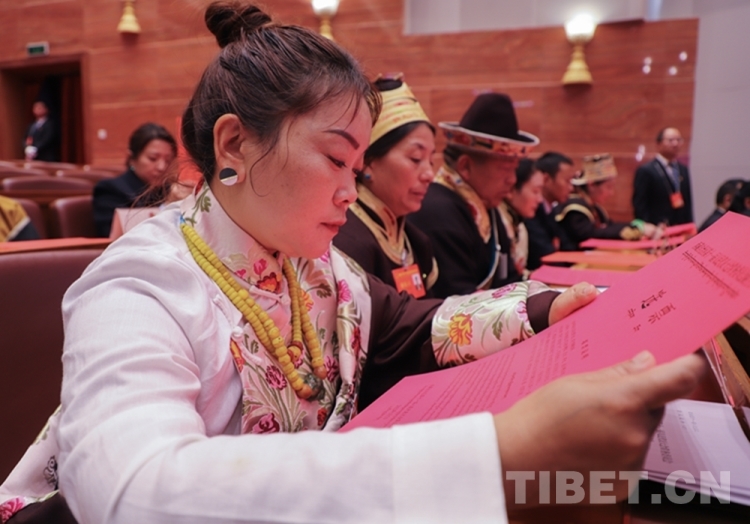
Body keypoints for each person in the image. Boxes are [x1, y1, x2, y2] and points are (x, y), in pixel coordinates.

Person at [0, 3, 707, 523]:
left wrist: (543, 309)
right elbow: (132, 491)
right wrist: (494, 454)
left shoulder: (315, 267)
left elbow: (413, 325)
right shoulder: (139, 283)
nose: (350, 189)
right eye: (336, 159)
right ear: (234, 144)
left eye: (358, 165)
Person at [408, 93, 534, 298]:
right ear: (465, 166)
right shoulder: (437, 211)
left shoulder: (488, 207)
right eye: (505, 169)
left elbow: (510, 280)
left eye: (515, 169)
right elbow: (458, 300)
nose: (513, 180)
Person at [333, 75, 438, 298]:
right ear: (368, 162)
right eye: (416, 158)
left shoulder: (417, 242)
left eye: (431, 160)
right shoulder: (345, 241)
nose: (430, 174)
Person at [92, 122, 178, 237]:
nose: (162, 167)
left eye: (168, 160)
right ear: (132, 158)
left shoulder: (171, 190)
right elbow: (110, 237)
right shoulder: (110, 189)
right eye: (153, 158)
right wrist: (167, 205)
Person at [555, 154, 657, 248]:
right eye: (608, 187)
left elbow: (609, 226)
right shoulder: (574, 208)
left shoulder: (595, 208)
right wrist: (637, 230)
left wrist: (636, 226)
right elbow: (591, 233)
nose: (611, 193)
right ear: (591, 185)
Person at [525, 151, 576, 270]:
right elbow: (545, 255)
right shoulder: (530, 211)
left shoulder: (550, 208)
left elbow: (565, 247)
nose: (571, 188)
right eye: (567, 181)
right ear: (546, 180)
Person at [632, 127, 694, 225]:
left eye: (678, 140)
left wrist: (690, 224)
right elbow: (640, 204)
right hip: (657, 227)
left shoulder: (683, 169)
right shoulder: (646, 170)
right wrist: (645, 227)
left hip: (680, 226)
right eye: (671, 140)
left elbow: (688, 201)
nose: (675, 144)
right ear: (659, 144)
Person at [498, 158, 543, 279]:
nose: (540, 199)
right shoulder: (498, 224)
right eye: (535, 191)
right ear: (511, 190)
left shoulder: (520, 227)